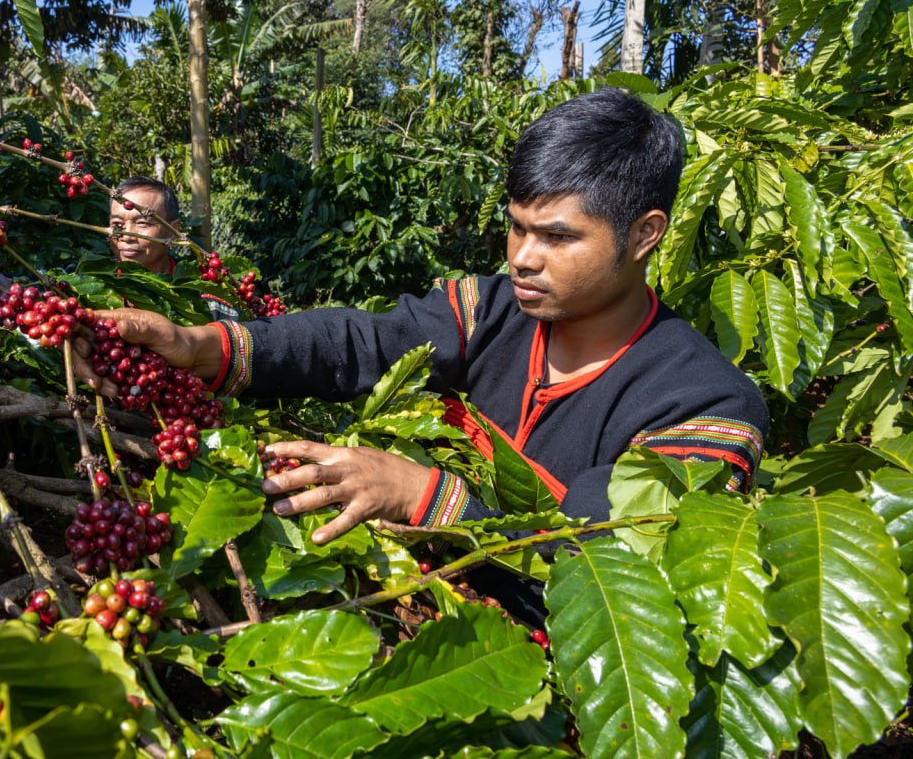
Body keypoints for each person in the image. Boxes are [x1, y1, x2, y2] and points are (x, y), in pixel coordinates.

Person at [81, 89, 769, 551]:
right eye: (516, 227)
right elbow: (362, 341)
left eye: (557, 237)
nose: (522, 258)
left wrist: (426, 496)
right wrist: (199, 345)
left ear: (645, 234)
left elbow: (602, 557)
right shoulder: (491, 311)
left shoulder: (704, 408)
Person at [108, 177, 244, 322]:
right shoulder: (99, 284)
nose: (127, 236)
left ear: (173, 231)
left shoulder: (204, 295)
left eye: (142, 223)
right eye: (117, 224)